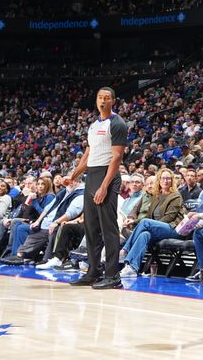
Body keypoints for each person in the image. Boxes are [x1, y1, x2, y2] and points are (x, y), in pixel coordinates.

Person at [67, 86, 128, 289]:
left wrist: (104, 186)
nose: (103, 100)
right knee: (91, 228)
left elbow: (117, 157)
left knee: (108, 228)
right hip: (91, 176)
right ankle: (93, 272)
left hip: (107, 176)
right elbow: (88, 155)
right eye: (100, 97)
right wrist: (73, 176)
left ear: (113, 101)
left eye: (107, 98)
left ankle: (113, 276)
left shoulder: (117, 123)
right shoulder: (93, 125)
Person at [119, 168, 185, 277]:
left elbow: (169, 217)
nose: (165, 181)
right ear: (159, 180)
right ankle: (132, 268)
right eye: (163, 178)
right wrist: (147, 224)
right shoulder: (156, 196)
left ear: (172, 181)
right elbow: (149, 215)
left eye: (168, 178)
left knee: (146, 223)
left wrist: (152, 225)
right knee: (144, 234)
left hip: (173, 229)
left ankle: (125, 249)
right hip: (158, 228)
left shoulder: (176, 196)